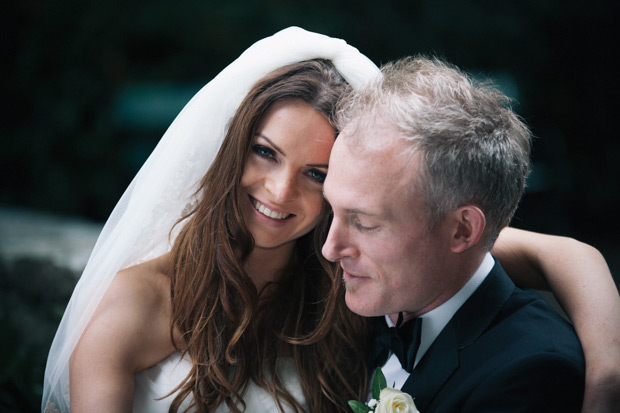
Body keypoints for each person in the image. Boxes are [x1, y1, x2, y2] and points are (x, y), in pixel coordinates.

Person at [42, 28, 619, 412]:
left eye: (317, 174)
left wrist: (606, 377)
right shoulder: (140, 301)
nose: (278, 190)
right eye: (264, 152)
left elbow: (562, 255)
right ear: (232, 146)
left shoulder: (354, 279)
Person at [321, 56, 620, 412]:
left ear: (462, 230)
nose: (329, 248)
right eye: (331, 210)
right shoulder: (363, 299)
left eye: (365, 223)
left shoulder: (532, 373)